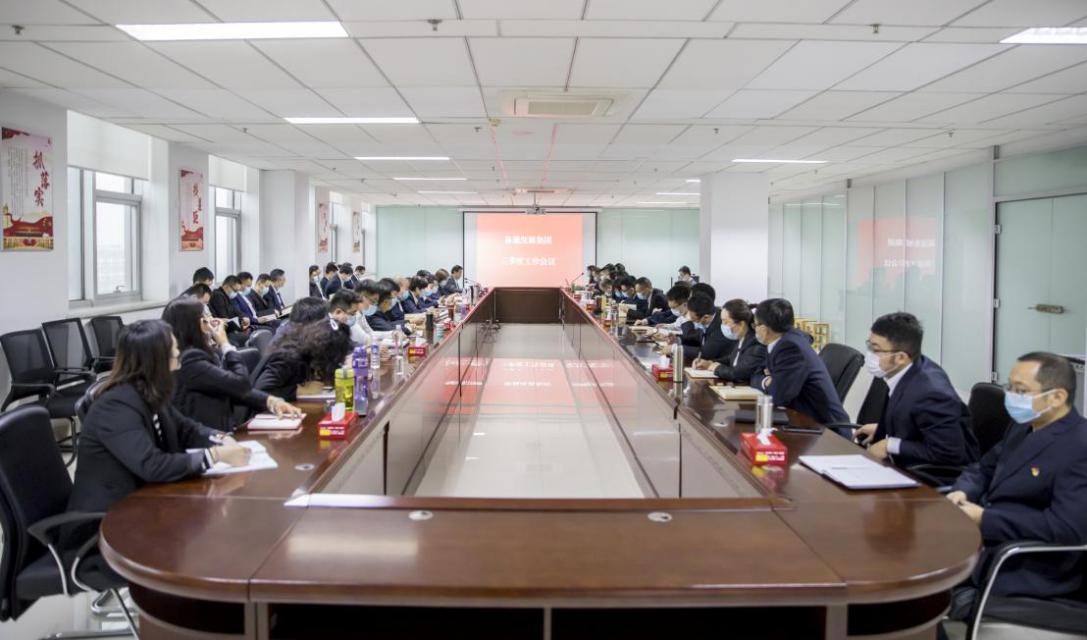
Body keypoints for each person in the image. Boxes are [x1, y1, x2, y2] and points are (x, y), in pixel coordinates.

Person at [63, 320, 250, 553]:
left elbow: (187, 429)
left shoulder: (149, 391)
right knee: (211, 544)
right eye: (173, 348)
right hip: (105, 527)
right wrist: (215, 455)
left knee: (215, 531)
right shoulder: (116, 405)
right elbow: (151, 465)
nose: (178, 352)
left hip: (145, 503)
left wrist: (220, 438)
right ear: (155, 359)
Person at [944, 352, 1087, 623]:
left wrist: (985, 518)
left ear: (1057, 397)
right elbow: (983, 468)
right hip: (982, 542)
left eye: (1020, 390)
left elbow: (1065, 528)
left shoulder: (1079, 446)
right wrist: (963, 491)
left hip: (1026, 565)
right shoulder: (1024, 426)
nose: (1011, 396)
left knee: (924, 594)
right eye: (1009, 387)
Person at [854, 313, 978, 467]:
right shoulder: (905, 369)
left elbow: (949, 452)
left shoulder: (932, 393)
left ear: (901, 357)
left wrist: (890, 444)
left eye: (876, 350)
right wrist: (885, 429)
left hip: (933, 475)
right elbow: (916, 421)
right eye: (869, 345)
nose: (870, 355)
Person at [162, 298, 300, 432]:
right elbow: (240, 384)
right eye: (205, 320)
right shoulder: (190, 360)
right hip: (209, 437)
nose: (210, 324)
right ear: (193, 326)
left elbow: (227, 386)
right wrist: (225, 344)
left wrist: (271, 401)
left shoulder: (196, 355)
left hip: (217, 431)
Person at [750, 298, 849, 425]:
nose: (755, 329)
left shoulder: (790, 348)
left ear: (764, 329)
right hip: (802, 417)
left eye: (755, 325)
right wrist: (767, 381)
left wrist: (768, 382)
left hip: (821, 426)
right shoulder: (787, 339)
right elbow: (756, 374)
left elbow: (777, 396)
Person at [251, 320, 353, 401]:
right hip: (262, 415)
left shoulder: (309, 350)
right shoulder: (287, 357)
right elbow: (260, 392)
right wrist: (298, 390)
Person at [692, 299, 766, 384]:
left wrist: (716, 368)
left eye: (725, 322)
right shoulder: (742, 338)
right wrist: (710, 363)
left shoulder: (755, 344)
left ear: (741, 324)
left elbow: (740, 375)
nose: (722, 325)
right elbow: (731, 359)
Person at [676, 292, 735, 364]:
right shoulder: (709, 318)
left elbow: (705, 353)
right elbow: (698, 337)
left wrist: (676, 348)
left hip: (722, 364)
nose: (692, 321)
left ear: (706, 317)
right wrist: (677, 339)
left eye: (694, 319)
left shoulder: (720, 326)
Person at [209, 275, 250, 347]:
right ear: (226, 286)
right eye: (235, 290)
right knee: (245, 337)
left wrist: (244, 317)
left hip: (229, 329)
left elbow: (236, 310)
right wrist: (240, 321)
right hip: (223, 330)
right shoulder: (218, 295)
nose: (236, 293)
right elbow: (224, 316)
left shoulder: (226, 296)